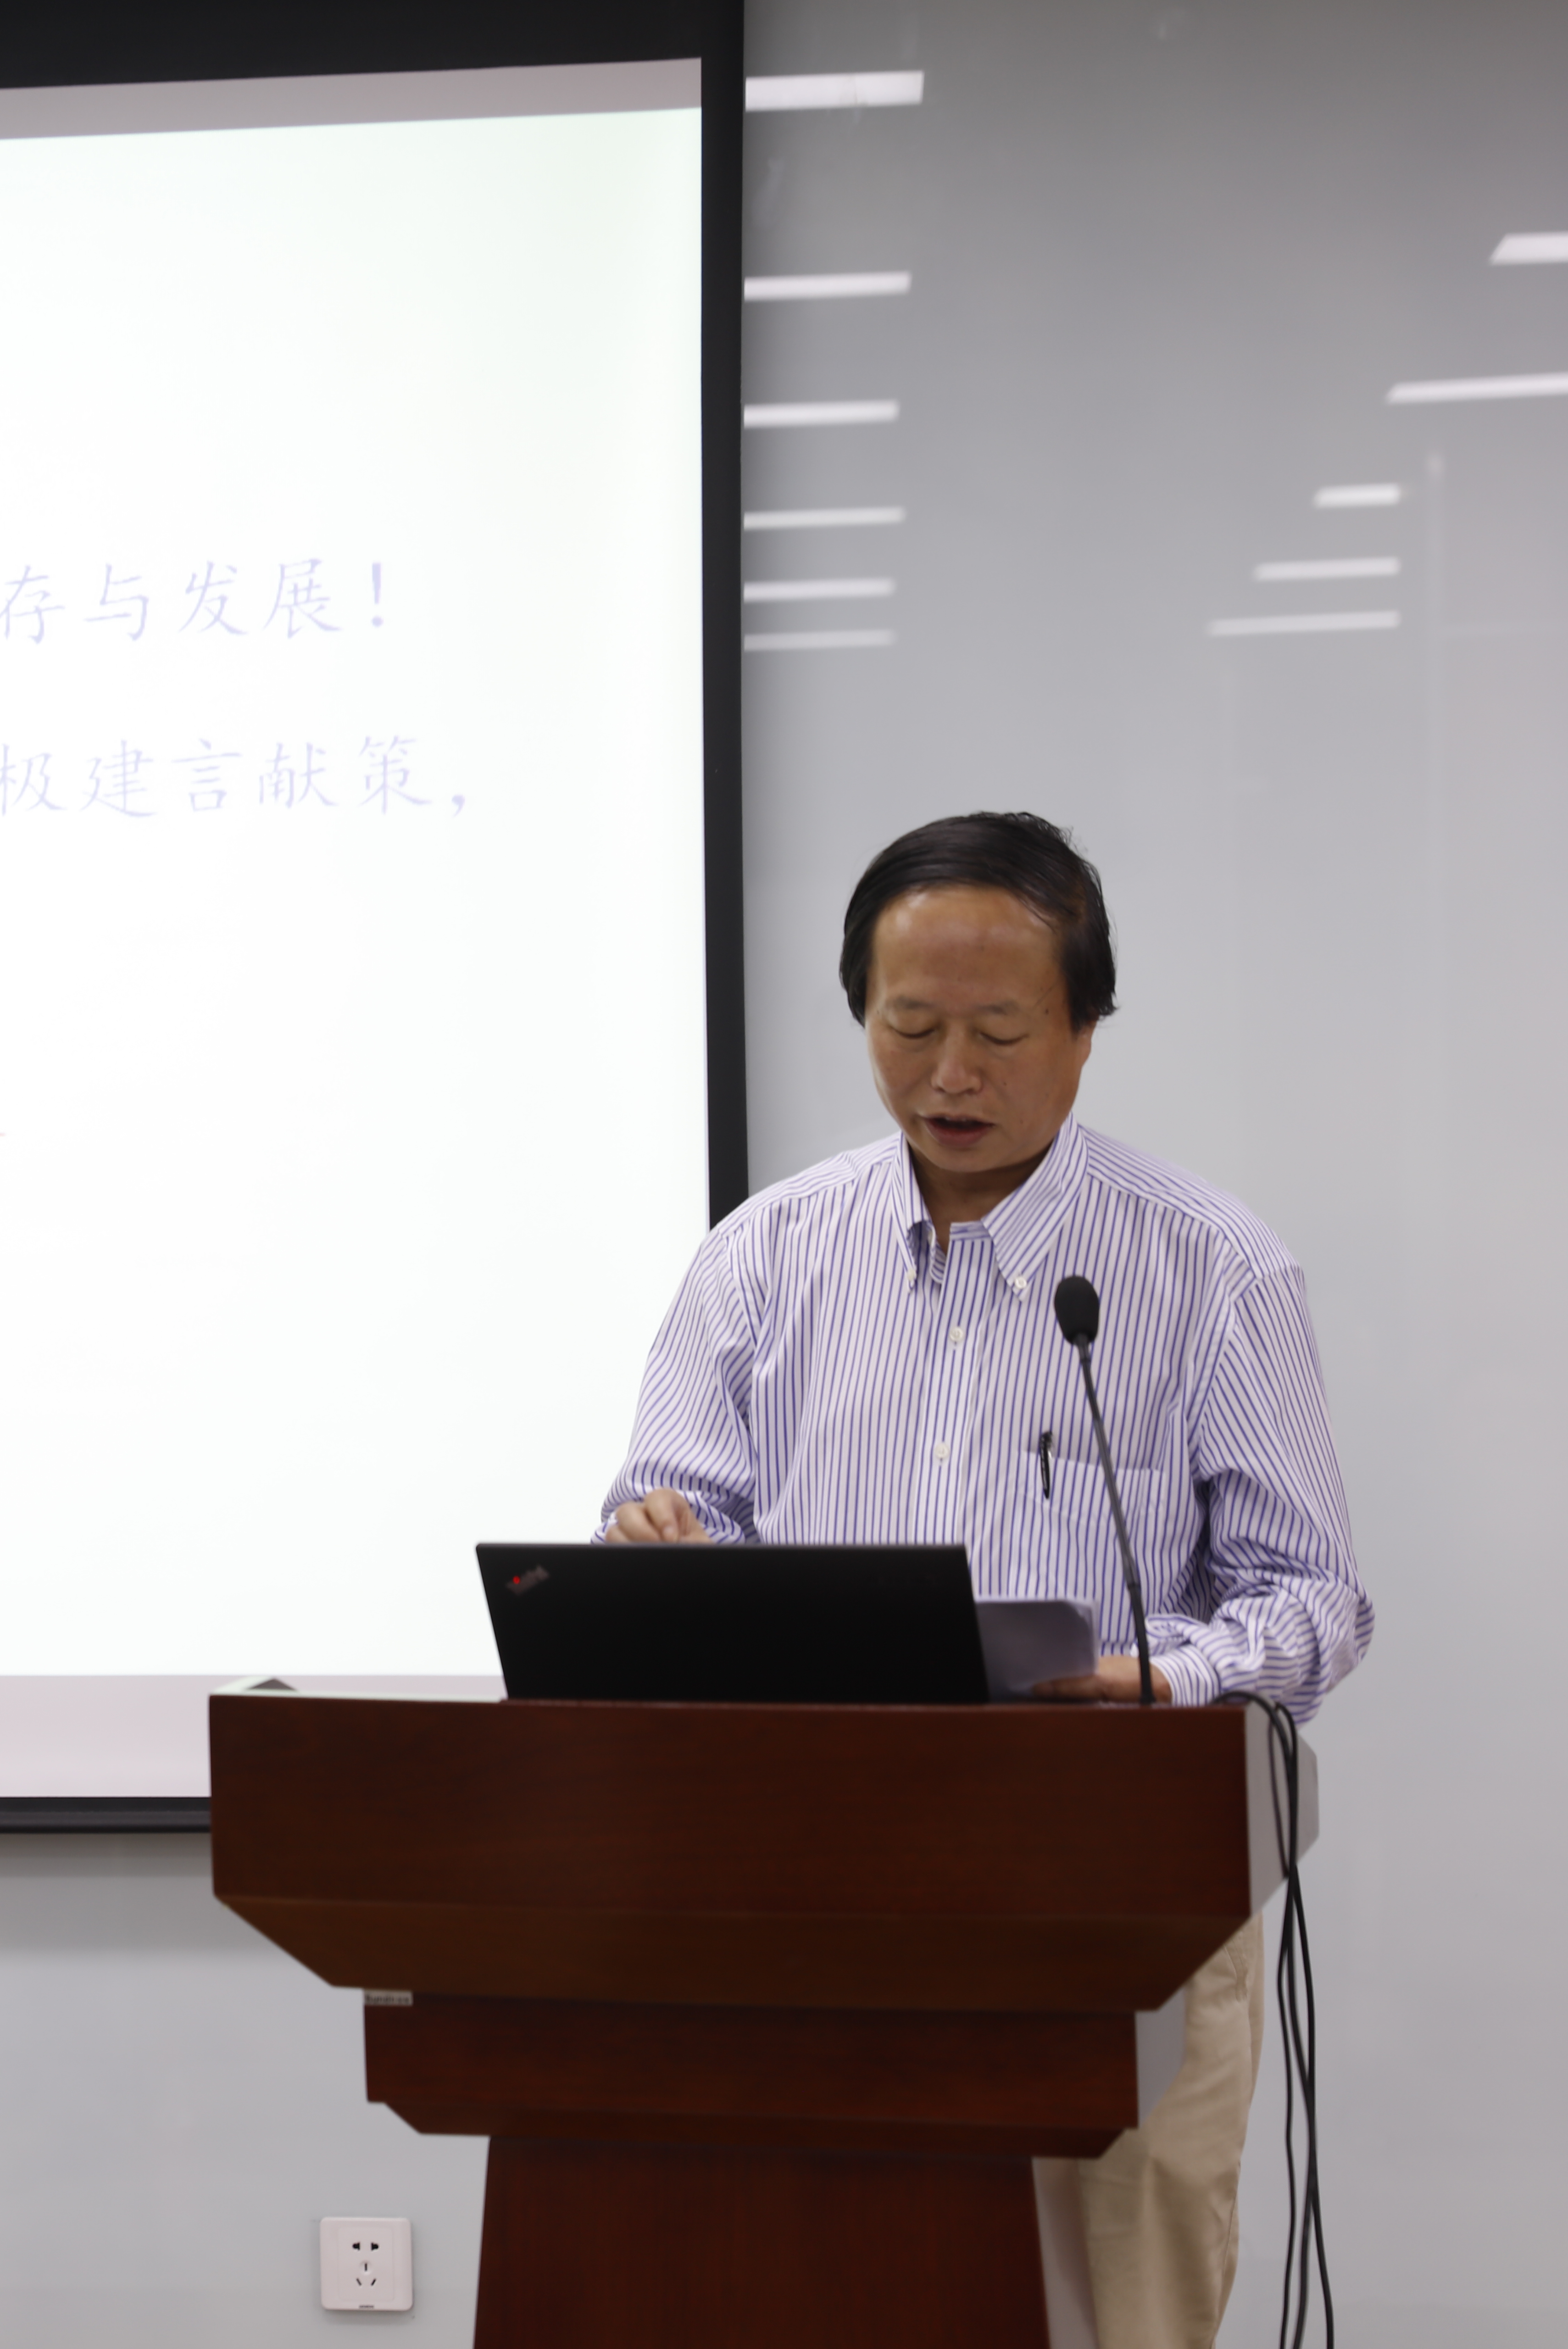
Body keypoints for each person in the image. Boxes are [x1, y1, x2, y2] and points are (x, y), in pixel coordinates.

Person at [595, 810, 1371, 2349]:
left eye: (1000, 1033)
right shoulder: (763, 1256)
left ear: (1085, 1029)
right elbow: (671, 1508)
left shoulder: (1209, 1269)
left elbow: (1314, 1600)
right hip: (813, 1881)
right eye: (910, 1027)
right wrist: (661, 1556)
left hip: (1121, 1880)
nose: (951, 1074)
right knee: (824, 2285)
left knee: (1117, 2301)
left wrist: (1173, 1675)